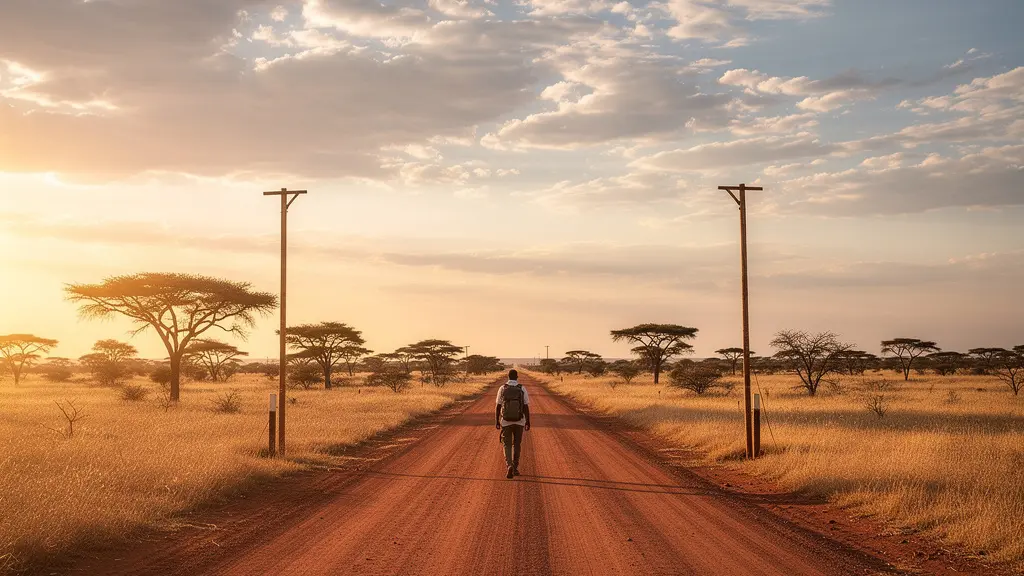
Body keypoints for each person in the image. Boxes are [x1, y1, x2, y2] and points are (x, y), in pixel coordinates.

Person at [495, 369, 531, 479]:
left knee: (507, 445)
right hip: (519, 421)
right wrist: (528, 421)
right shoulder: (522, 388)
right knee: (517, 444)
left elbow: (498, 406)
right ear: (517, 377)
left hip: (506, 422)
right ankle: (515, 468)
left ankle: (509, 465)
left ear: (508, 376)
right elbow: (525, 406)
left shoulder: (502, 388)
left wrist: (497, 421)